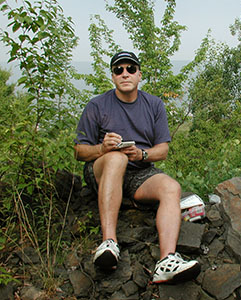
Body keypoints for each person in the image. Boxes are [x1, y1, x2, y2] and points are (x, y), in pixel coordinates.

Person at [74, 51, 200, 284]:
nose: (125, 73)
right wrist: (103, 149)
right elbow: (80, 152)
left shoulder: (153, 104)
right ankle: (108, 243)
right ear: (112, 76)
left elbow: (162, 150)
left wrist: (142, 154)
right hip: (103, 170)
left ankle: (167, 261)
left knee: (172, 187)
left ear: (139, 75)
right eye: (118, 69)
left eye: (130, 69)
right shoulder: (96, 105)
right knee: (116, 159)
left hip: (139, 173)